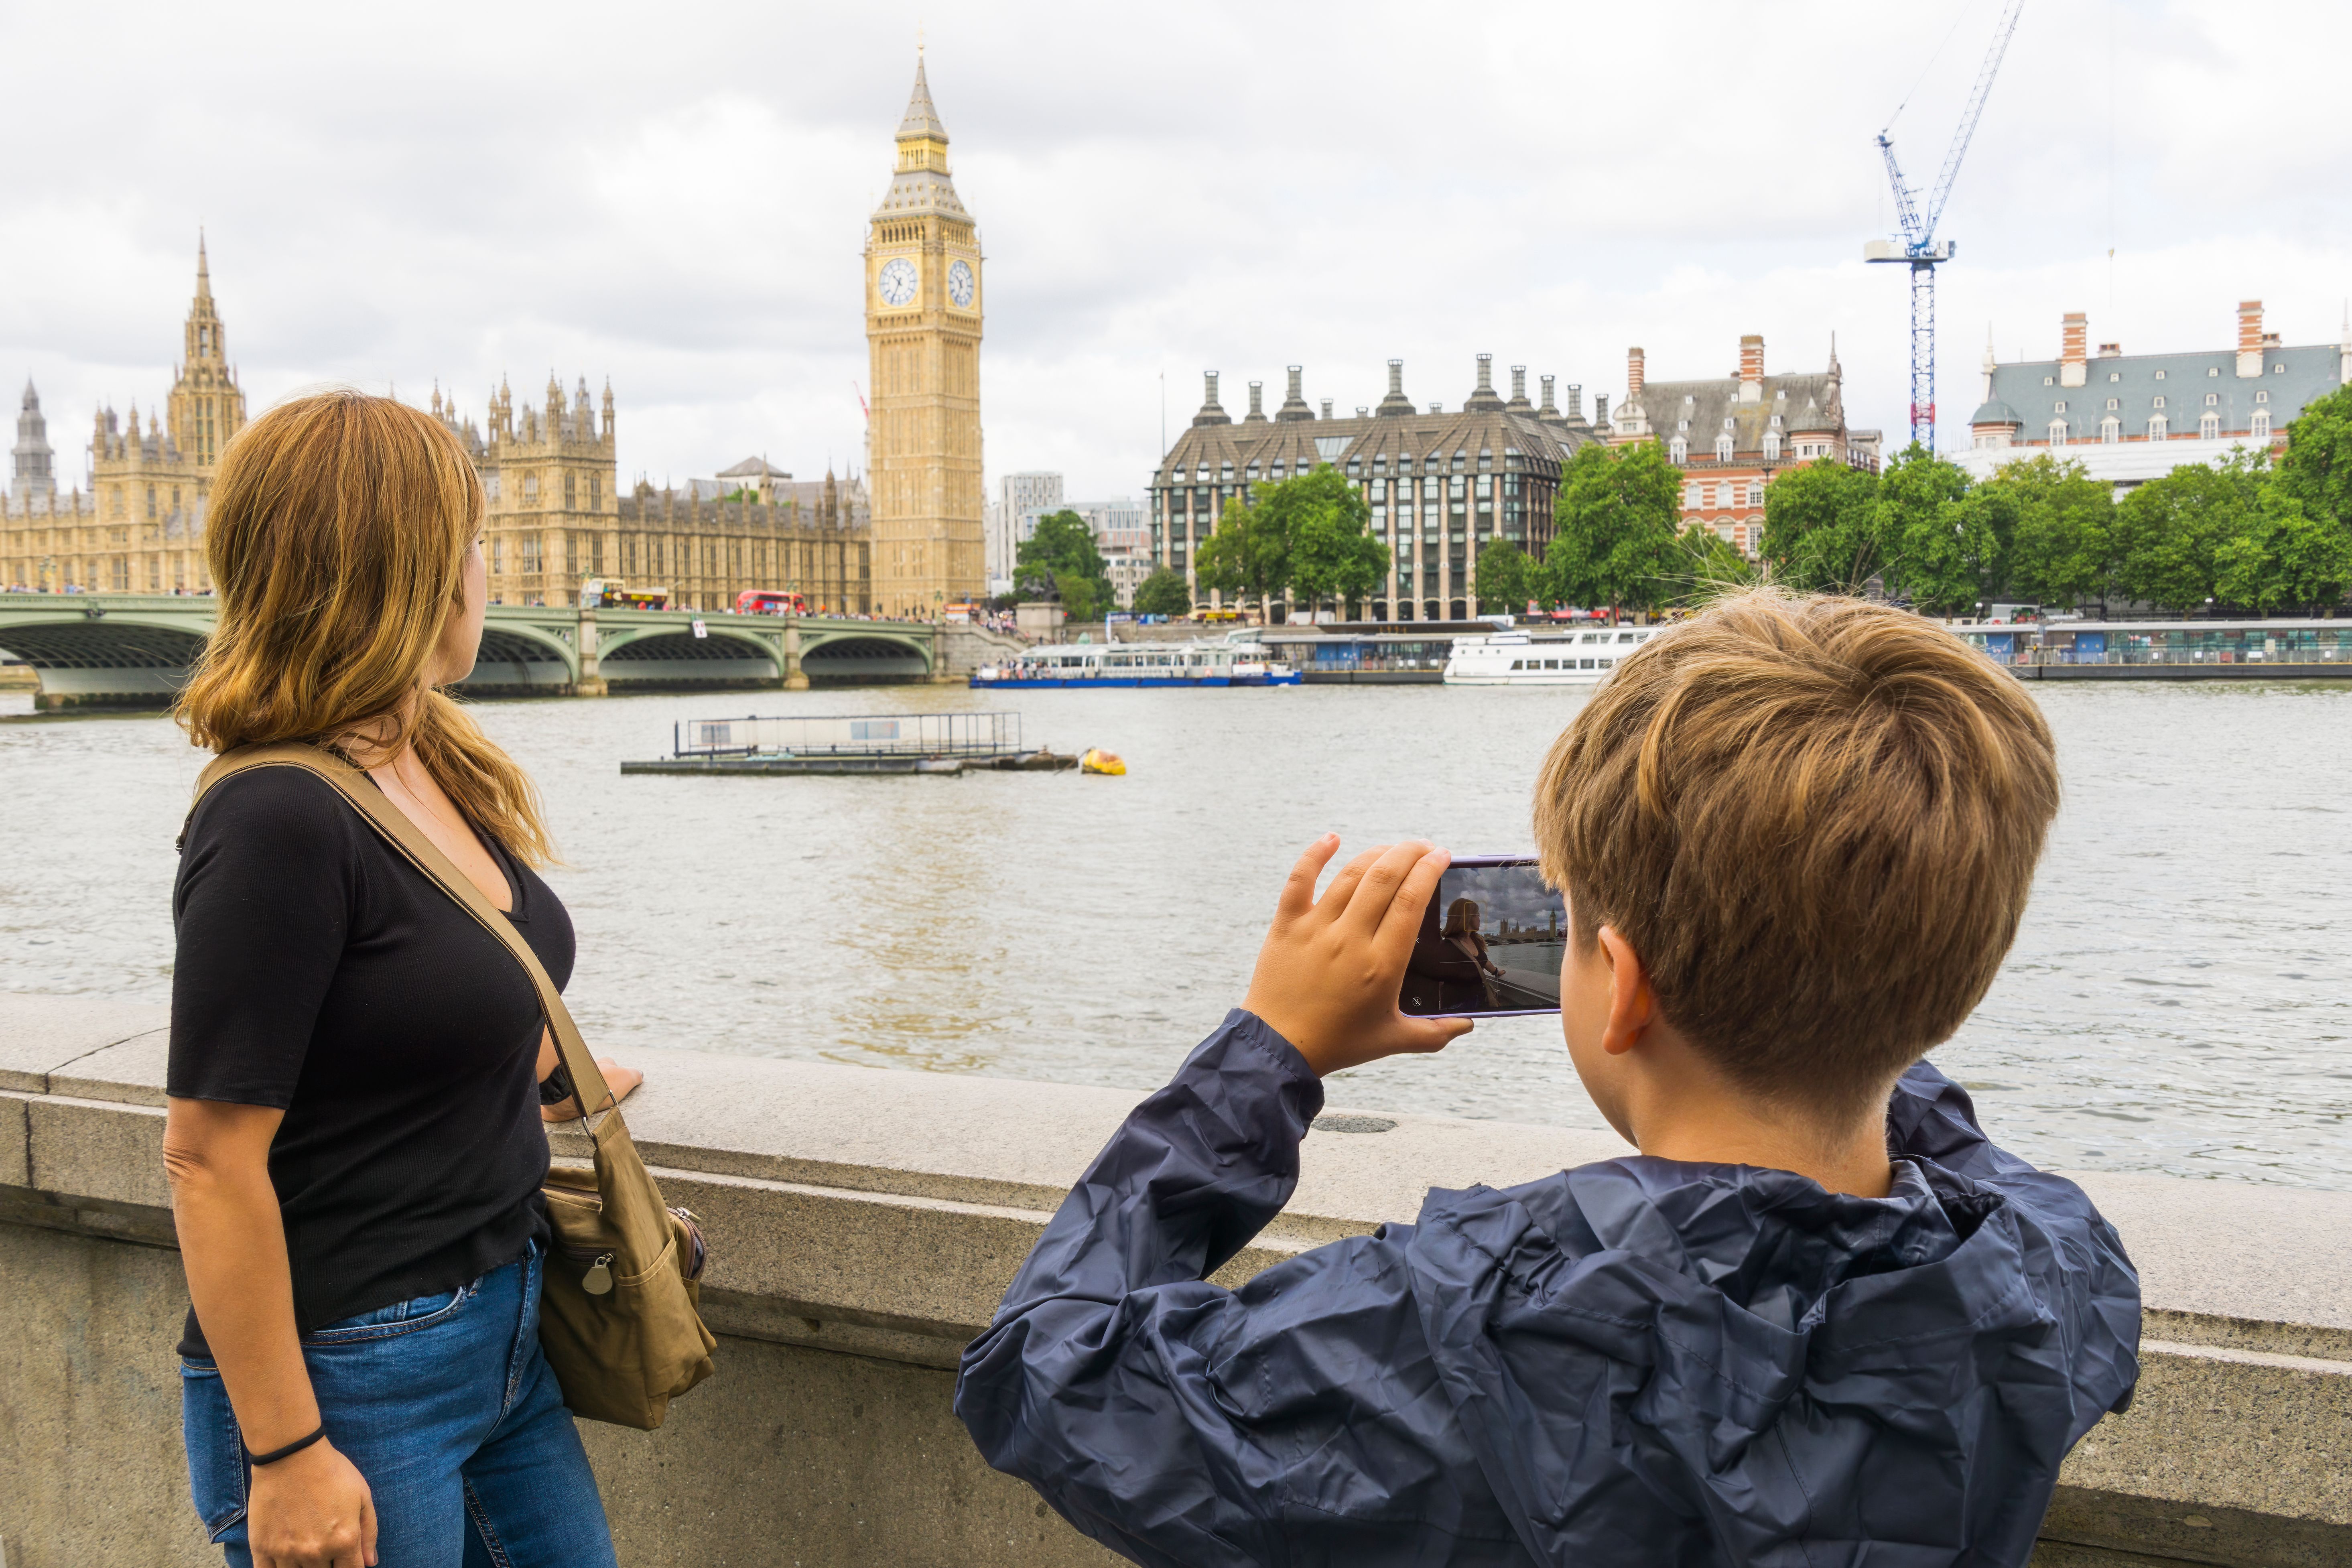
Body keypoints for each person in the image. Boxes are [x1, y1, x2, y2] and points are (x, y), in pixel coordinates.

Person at [956, 589, 2141, 1568]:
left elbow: (1050, 1373)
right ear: (1951, 985)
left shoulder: (1463, 1321)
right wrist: (1843, 968)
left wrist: (1272, 1048)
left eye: (1564, 923)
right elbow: (1952, 1136)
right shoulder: (2051, 1273)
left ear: (1619, 987)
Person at [163, 390, 640, 1568]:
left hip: (507, 1327)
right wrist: (285, 1454)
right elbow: (209, 1156)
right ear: (406, 566)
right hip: (348, 1367)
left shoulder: (427, 755)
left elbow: (410, 981)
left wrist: (534, 1060)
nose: (491, 567)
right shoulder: (275, 814)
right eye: (473, 540)